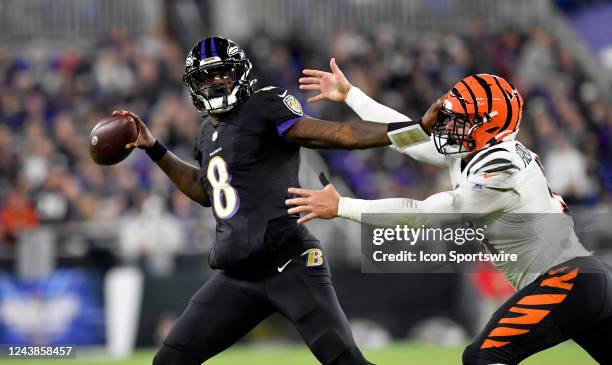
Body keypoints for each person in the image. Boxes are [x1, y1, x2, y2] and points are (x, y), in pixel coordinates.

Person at [288, 59, 612, 364]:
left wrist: (342, 206)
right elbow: (406, 139)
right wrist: (351, 95)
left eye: (461, 119)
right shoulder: (475, 150)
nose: (448, 124)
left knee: (483, 357)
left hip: (567, 281)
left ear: (489, 126)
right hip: (582, 280)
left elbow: (421, 214)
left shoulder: (502, 169)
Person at [114, 36, 404, 365]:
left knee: (345, 361)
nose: (214, 84)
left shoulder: (264, 105)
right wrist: (155, 147)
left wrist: (408, 132)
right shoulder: (206, 133)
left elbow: (339, 134)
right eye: (205, 78)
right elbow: (204, 190)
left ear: (241, 73)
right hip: (238, 276)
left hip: (288, 263)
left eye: (222, 74)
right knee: (169, 361)